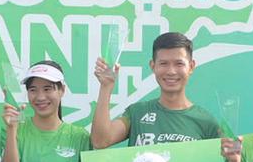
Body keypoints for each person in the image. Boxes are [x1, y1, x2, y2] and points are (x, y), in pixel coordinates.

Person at [91, 31, 224, 148]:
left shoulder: (206, 122)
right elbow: (100, 141)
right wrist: (106, 86)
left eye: (179, 64)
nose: (171, 71)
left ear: (191, 66)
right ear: (153, 66)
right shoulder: (137, 113)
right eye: (163, 63)